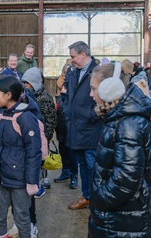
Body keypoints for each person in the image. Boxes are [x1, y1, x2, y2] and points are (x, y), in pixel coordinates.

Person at [88, 62, 151, 237]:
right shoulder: (117, 117)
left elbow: (126, 179)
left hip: (122, 218)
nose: (91, 94)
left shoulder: (128, 124)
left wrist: (100, 198)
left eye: (94, 89)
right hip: (117, 215)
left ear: (109, 89)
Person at [0, 75, 42, 238]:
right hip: (2, 175)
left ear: (8, 95)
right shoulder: (1, 114)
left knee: (22, 218)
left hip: (20, 179)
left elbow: (34, 152)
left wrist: (32, 181)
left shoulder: (25, 117)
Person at [63, 41, 103, 210]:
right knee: (82, 164)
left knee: (93, 164)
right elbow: (68, 96)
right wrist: (67, 112)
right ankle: (87, 196)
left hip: (91, 128)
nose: (72, 60)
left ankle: (98, 200)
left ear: (83, 54)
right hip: (75, 127)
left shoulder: (98, 72)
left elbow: (104, 99)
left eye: (73, 56)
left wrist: (91, 115)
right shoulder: (74, 72)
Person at [21, 67, 57, 196]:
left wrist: (46, 137)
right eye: (23, 83)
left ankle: (40, 186)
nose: (25, 86)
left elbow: (50, 119)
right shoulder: (28, 96)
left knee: (40, 160)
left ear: (35, 82)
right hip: (32, 136)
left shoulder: (44, 98)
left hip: (41, 136)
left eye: (27, 83)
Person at [53, 82, 78, 184]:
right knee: (63, 153)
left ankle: (74, 175)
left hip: (71, 133)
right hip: (61, 132)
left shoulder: (74, 100)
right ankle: (65, 172)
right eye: (63, 87)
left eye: (65, 88)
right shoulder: (59, 100)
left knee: (72, 156)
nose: (62, 89)